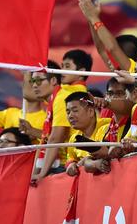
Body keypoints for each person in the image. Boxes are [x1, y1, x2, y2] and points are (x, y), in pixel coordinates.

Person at [32, 51, 92, 184]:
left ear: (81, 71)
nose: (62, 70)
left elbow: (55, 138)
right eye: (62, 66)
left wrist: (41, 173)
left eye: (67, 66)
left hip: (65, 165)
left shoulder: (65, 93)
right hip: (76, 161)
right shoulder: (80, 92)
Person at [79, 0, 137, 72]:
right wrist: (91, 19)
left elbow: (112, 48)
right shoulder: (117, 70)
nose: (110, 56)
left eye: (112, 55)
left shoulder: (133, 71)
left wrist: (94, 18)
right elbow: (101, 49)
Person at [0, 72, 46, 143]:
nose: (26, 86)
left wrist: (32, 133)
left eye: (30, 82)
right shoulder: (11, 112)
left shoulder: (45, 118)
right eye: (25, 83)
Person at [64, 92, 112, 177]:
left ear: (90, 111)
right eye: (68, 112)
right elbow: (70, 159)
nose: (70, 116)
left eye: (75, 110)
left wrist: (83, 162)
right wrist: (71, 165)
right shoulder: (73, 139)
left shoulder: (107, 126)